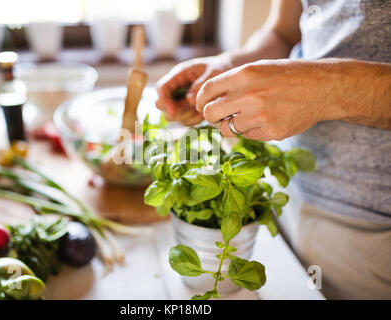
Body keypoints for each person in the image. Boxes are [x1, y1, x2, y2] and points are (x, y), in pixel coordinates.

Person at [155, 0, 391, 299]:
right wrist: (232, 66)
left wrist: (326, 87)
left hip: (376, 233)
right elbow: (283, 32)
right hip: (287, 200)